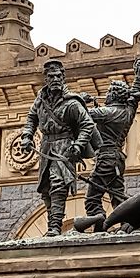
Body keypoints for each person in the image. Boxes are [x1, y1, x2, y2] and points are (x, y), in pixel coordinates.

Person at [21, 59, 97, 236]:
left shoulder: (72, 102)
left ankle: (55, 227)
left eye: (58, 76)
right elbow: (31, 118)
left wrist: (78, 145)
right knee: (46, 188)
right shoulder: (40, 100)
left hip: (64, 147)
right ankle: (52, 225)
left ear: (63, 78)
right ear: (46, 79)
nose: (55, 79)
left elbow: (87, 124)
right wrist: (27, 136)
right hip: (46, 147)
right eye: (51, 76)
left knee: (58, 184)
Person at [74, 58, 140, 232]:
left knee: (92, 198)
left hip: (106, 158)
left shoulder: (106, 112)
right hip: (118, 160)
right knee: (118, 196)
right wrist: (138, 75)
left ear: (113, 95)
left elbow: (81, 115)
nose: (105, 95)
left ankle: (99, 223)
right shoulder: (128, 112)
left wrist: (80, 100)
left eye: (108, 92)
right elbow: (134, 95)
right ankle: (127, 224)